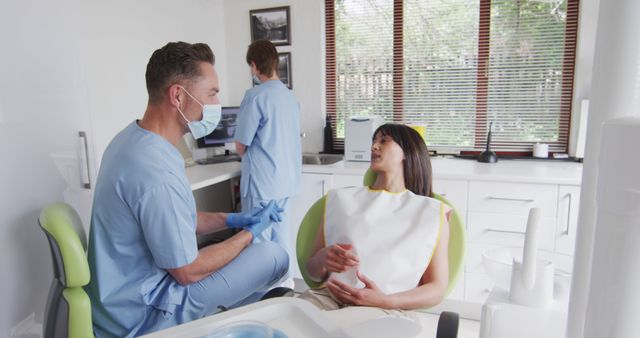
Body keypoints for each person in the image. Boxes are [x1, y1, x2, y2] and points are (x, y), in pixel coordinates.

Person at [85, 42, 289, 338]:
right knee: (273, 256)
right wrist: (250, 235)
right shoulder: (154, 170)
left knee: (250, 263)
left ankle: (218, 316)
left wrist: (233, 220)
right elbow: (187, 271)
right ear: (178, 96)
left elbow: (178, 221)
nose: (217, 103)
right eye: (212, 93)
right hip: (143, 312)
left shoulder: (131, 140)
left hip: (116, 298)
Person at [301, 123, 451, 311]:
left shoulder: (431, 212)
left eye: (384, 141)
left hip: (387, 308)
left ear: (407, 152)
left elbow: (436, 289)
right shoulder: (340, 199)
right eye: (373, 141)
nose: (373, 146)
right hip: (327, 299)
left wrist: (386, 301)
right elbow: (312, 272)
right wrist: (322, 260)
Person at [234, 39, 302, 286]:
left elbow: (241, 144)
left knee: (259, 241)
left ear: (254, 66)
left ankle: (261, 296)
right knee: (281, 238)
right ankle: (285, 287)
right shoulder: (289, 97)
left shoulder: (255, 97)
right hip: (286, 182)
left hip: (263, 182)